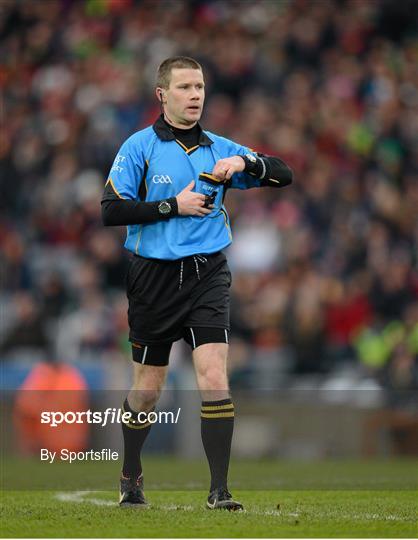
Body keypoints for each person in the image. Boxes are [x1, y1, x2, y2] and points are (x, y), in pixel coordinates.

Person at [101, 56, 293, 511]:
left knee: (213, 375)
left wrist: (245, 161)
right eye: (185, 87)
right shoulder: (139, 147)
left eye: (200, 87)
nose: (195, 96)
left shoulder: (219, 148)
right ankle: (130, 473)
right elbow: (111, 209)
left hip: (207, 273)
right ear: (162, 95)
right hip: (154, 278)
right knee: (148, 389)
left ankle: (219, 491)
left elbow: (284, 172)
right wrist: (172, 206)